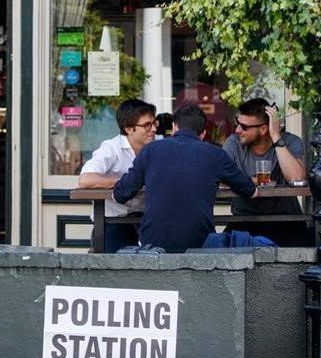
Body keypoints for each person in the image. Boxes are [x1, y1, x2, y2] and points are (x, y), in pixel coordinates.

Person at [113, 104, 257, 252]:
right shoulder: (215, 154)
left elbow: (120, 193)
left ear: (175, 127)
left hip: (153, 243)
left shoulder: (151, 150)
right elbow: (250, 190)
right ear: (203, 134)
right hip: (200, 243)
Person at [222, 98, 311, 246]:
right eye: (237, 123)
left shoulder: (289, 141)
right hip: (244, 220)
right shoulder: (234, 143)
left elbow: (297, 178)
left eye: (244, 126)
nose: (237, 130)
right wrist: (254, 181)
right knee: (221, 248)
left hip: (285, 221)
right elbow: (222, 177)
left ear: (263, 129)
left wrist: (276, 137)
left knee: (306, 252)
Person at [78, 99, 156, 252]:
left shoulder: (156, 148)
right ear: (128, 128)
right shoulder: (111, 148)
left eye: (154, 123)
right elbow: (85, 179)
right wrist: (126, 182)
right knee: (111, 271)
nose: (153, 129)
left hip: (145, 221)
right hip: (112, 223)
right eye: (147, 125)